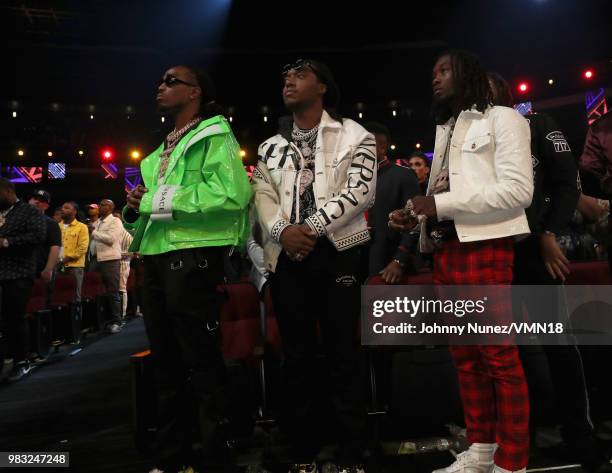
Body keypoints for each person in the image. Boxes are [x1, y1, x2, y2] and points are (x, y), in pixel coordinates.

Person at [390, 50, 533, 473]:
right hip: (446, 250)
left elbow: (518, 192)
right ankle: (482, 450)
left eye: (444, 70)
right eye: (432, 71)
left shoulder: (503, 119)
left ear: (467, 72)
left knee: (498, 359)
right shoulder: (447, 127)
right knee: (465, 358)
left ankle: (513, 461)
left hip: (485, 248)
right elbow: (443, 197)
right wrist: (415, 215)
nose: (435, 78)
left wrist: (439, 203)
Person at [124, 64, 251, 473]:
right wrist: (133, 208)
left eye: (171, 81)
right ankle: (171, 457)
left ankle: (217, 457)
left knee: (201, 362)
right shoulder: (161, 149)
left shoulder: (214, 133)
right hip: (158, 257)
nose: (160, 86)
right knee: (166, 364)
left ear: (195, 92)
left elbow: (231, 193)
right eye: (160, 80)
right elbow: (153, 210)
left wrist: (152, 199)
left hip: (194, 258)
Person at [252, 58, 376, 473]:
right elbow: (261, 196)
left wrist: (311, 226)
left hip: (338, 249)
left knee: (344, 352)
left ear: (323, 86)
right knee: (297, 354)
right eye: (285, 74)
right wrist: (283, 231)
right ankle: (302, 446)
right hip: (287, 253)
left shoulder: (356, 134)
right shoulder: (270, 146)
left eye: (300, 74)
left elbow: (362, 190)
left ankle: (351, 450)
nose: (288, 79)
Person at [489, 71, 608, 472]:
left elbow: (566, 183)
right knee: (511, 354)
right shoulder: (471, 137)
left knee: (557, 345)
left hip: (534, 252)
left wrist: (549, 232)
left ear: (503, 93)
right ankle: (522, 441)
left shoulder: (535, 123)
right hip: (493, 257)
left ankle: (581, 439)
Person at [0, 178, 46, 381]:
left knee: (14, 318)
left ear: (8, 191)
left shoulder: (29, 211)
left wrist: (8, 241)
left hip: (18, 273)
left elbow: (38, 236)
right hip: (1, 272)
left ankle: (21, 361)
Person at [364, 122, 420, 282]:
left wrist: (399, 260)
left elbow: (416, 220)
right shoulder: (351, 178)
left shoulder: (404, 176)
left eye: (365, 144)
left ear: (382, 148)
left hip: (388, 262)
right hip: (357, 259)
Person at [88, 199, 123, 333]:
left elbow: (111, 239)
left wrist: (94, 232)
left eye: (102, 205)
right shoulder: (98, 222)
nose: (99, 207)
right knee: (95, 292)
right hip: (94, 259)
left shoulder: (115, 221)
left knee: (112, 291)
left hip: (110, 259)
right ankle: (100, 321)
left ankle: (116, 322)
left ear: (109, 207)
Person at [28, 189, 62, 307]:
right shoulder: (19, 220)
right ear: (29, 200)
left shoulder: (51, 224)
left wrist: (48, 269)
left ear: (46, 206)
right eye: (35, 199)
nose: (37, 202)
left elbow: (55, 248)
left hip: (40, 269)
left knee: (42, 304)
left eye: (41, 201)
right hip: (20, 270)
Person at [59, 202, 89, 304]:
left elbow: (82, 248)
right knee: (59, 296)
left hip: (74, 266)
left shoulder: (82, 227)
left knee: (76, 296)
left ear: (74, 212)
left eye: (66, 208)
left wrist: (66, 259)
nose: (62, 209)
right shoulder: (57, 226)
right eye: (62, 207)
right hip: (58, 266)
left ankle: (77, 319)